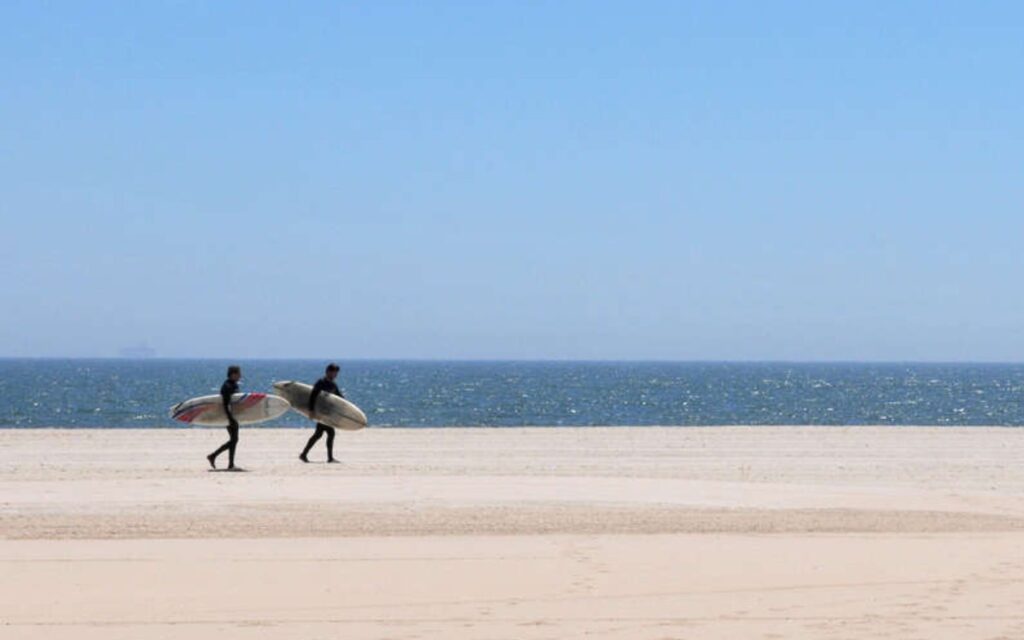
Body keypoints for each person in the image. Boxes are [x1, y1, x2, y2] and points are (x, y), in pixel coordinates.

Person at [300, 363, 344, 463]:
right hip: (321, 412)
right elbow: (312, 396)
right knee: (330, 433)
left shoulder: (333, 384)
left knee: (318, 434)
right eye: (334, 373)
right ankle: (329, 458)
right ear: (328, 372)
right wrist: (311, 411)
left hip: (327, 412)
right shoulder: (321, 382)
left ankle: (304, 454)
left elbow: (339, 397)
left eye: (336, 373)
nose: (335, 375)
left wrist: (347, 406)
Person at [207, 365, 242, 470]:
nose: (240, 376)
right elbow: (226, 404)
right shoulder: (227, 386)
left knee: (234, 439)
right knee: (234, 439)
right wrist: (230, 418)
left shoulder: (233, 384)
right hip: (228, 416)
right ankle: (213, 456)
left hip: (233, 416)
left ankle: (229, 464)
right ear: (233, 374)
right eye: (239, 374)